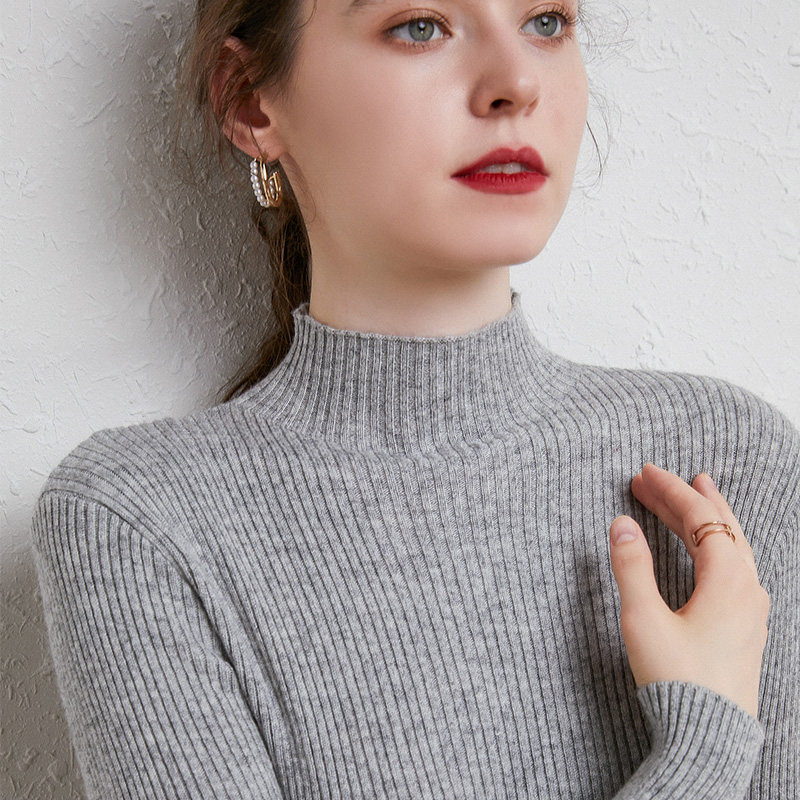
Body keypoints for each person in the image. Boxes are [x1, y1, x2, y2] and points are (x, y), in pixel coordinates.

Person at [30, 1, 799, 799]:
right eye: (421, 26)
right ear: (250, 100)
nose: (516, 82)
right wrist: (704, 747)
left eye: (545, 22)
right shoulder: (140, 520)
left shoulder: (727, 461)